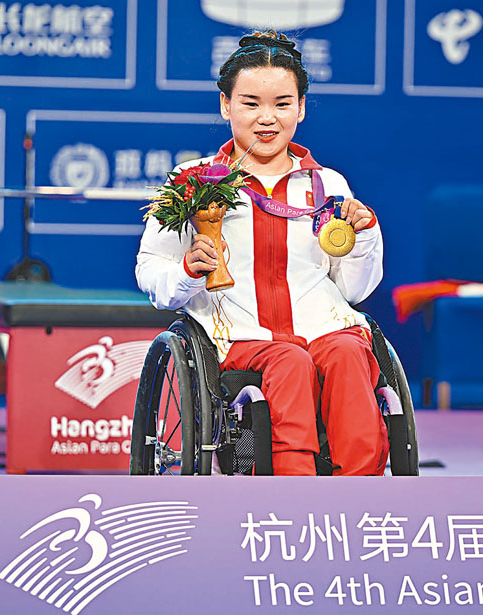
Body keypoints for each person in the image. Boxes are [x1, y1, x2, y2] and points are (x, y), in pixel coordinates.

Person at [135, 30, 386, 476]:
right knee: (290, 361)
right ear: (225, 105)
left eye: (282, 104)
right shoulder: (191, 182)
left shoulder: (327, 185)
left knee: (349, 354)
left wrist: (363, 235)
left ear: (301, 108)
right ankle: (291, 496)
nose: (267, 118)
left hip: (323, 328)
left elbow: (353, 290)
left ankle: (361, 495)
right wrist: (188, 272)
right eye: (250, 103)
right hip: (239, 336)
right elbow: (151, 270)